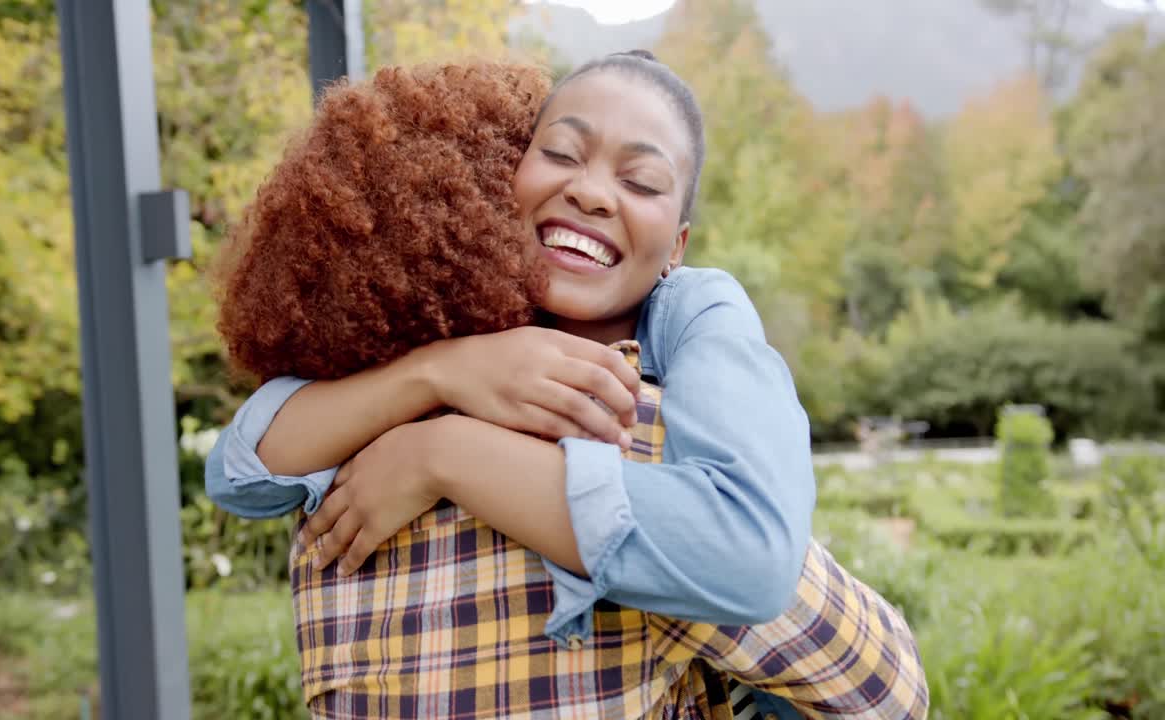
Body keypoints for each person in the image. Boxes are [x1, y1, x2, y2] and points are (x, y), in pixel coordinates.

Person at [209, 55, 927, 718]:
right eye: (559, 154)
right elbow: (238, 471)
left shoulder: (665, 356)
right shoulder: (599, 428)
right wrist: (443, 371)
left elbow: (748, 553)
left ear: (676, 246)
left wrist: (443, 450)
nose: (589, 192)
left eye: (640, 182)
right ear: (498, 177)